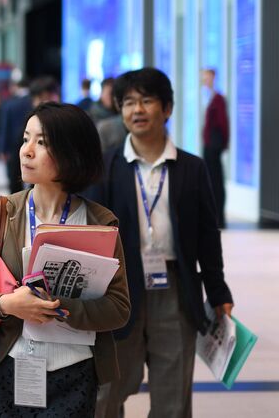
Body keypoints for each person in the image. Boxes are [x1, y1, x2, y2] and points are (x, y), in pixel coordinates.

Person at [0, 102, 130, 417]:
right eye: (25, 139)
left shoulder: (100, 222)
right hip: (6, 369)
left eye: (42, 142)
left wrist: (60, 307)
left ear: (73, 152)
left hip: (74, 374)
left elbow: (119, 308)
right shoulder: (0, 213)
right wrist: (8, 304)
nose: (26, 151)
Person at [87, 67, 234, 418]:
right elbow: (91, 235)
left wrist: (218, 292)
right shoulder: (106, 168)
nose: (137, 110)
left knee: (173, 396)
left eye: (147, 101)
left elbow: (207, 236)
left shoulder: (191, 168)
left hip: (175, 290)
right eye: (128, 102)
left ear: (166, 109)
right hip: (117, 290)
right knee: (105, 393)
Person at [0, 76, 60, 193]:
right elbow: (6, 129)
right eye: (38, 99)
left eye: (45, 98)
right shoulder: (31, 118)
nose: (40, 103)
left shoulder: (63, 122)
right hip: (15, 153)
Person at [201, 68, 229, 228]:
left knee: (215, 180)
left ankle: (219, 216)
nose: (205, 80)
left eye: (207, 77)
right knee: (212, 179)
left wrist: (222, 144)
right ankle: (215, 215)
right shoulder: (210, 98)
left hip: (213, 146)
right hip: (210, 145)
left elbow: (223, 124)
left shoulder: (218, 99)